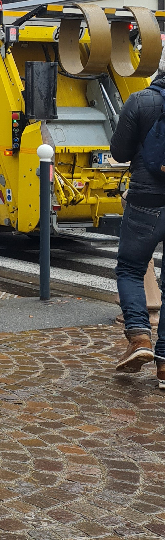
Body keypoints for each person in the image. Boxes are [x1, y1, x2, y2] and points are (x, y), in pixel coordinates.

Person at [110, 55, 165, 385]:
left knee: (130, 267)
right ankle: (164, 365)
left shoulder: (141, 101)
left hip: (145, 201)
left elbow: (118, 152)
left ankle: (139, 338)